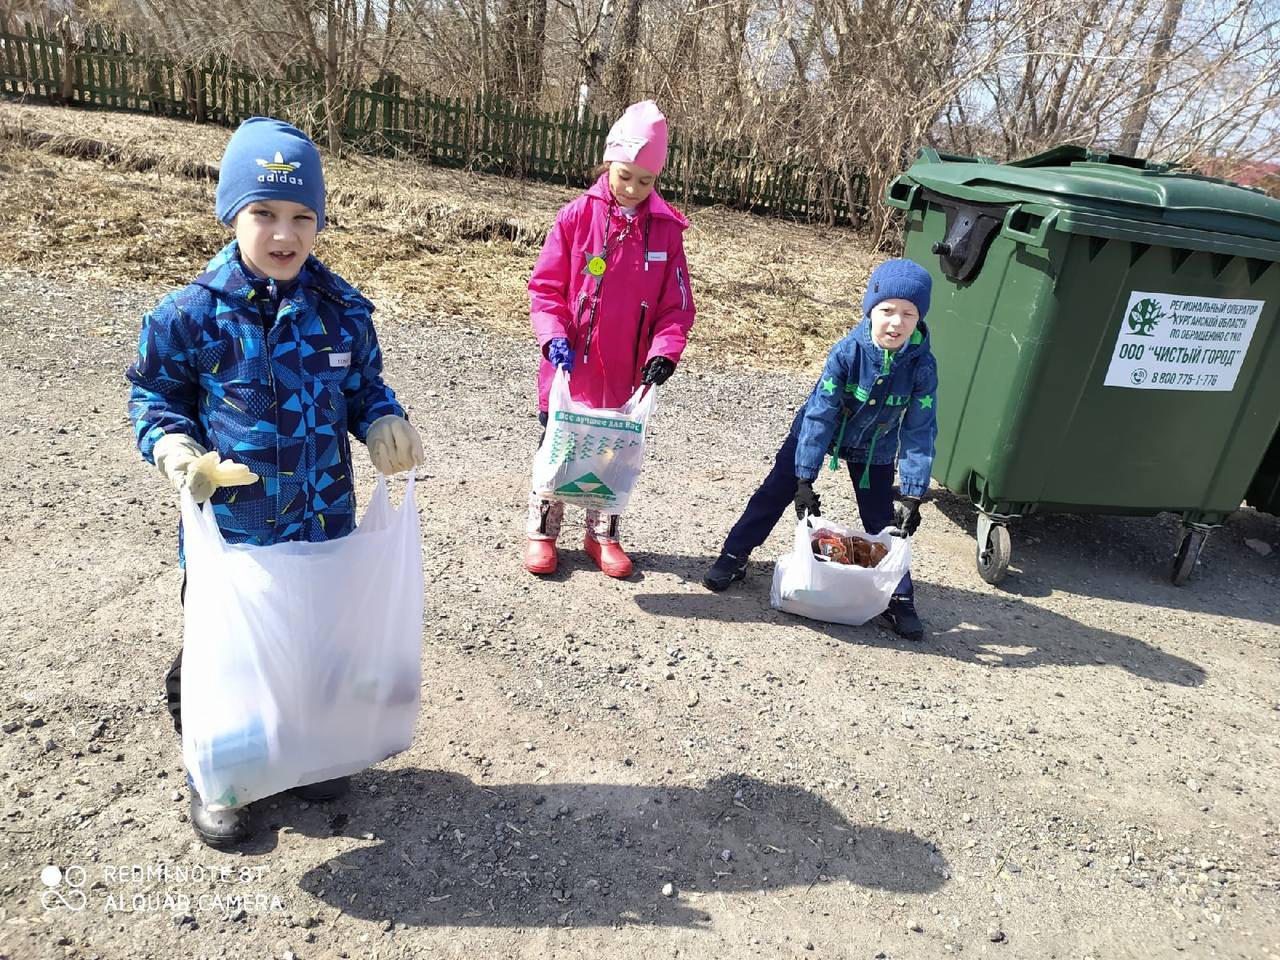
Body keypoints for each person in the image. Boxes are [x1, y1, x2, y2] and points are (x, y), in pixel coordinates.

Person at [126, 117, 424, 847]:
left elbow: (364, 389)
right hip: (233, 535)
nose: (283, 234)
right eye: (264, 213)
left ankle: (306, 754)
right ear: (233, 213)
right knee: (224, 656)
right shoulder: (190, 316)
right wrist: (172, 447)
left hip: (321, 524)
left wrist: (384, 419)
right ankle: (218, 773)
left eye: (301, 217)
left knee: (315, 646)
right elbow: (152, 397)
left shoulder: (342, 313)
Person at [701, 259, 938, 641]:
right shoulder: (847, 352)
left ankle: (899, 595)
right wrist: (804, 476)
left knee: (882, 520)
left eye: (908, 314)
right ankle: (734, 554)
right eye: (887, 311)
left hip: (873, 446)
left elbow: (920, 430)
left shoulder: (922, 365)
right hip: (820, 433)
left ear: (919, 318)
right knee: (773, 493)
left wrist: (913, 494)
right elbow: (820, 414)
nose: (896, 323)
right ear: (870, 311)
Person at [524, 100, 697, 577]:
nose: (633, 189)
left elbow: (676, 306)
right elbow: (546, 289)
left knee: (612, 453)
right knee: (558, 447)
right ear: (608, 163)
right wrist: (552, 336)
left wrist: (665, 352)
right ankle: (543, 531)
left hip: (626, 371)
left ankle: (602, 533)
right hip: (571, 364)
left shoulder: (665, 231)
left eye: (646, 181)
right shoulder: (576, 216)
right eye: (625, 176)